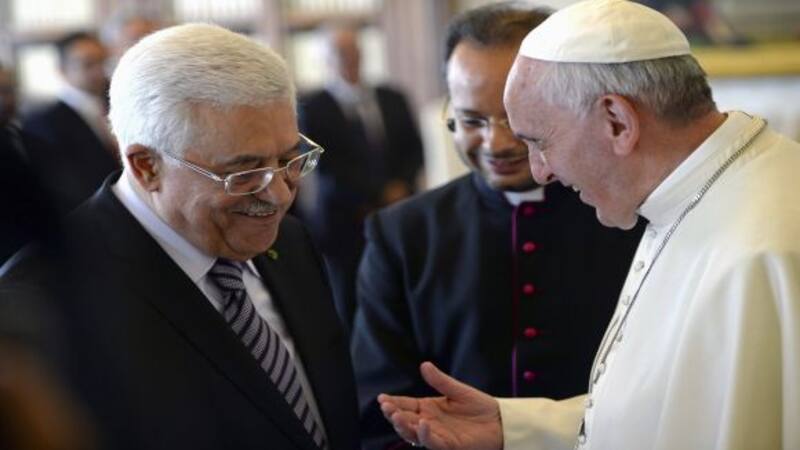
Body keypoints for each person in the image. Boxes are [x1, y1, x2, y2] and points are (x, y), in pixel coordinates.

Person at [378, 0, 800, 449]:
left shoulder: (759, 253)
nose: (540, 172)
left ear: (618, 121)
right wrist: (516, 426)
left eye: (540, 141)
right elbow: (671, 411)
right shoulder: (689, 197)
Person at [0, 23, 359, 450]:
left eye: (288, 158)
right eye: (243, 172)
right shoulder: (41, 303)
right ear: (146, 166)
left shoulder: (291, 242)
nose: (279, 195)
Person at [351, 4, 643, 450]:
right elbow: (378, 408)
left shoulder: (631, 218)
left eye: (515, 119)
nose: (496, 143)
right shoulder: (402, 236)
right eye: (471, 120)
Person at [297, 23, 425, 332]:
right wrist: (379, 192)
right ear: (325, 58)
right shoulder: (312, 106)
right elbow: (326, 166)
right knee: (352, 305)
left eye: (354, 50)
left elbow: (415, 150)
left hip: (398, 213)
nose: (348, 57)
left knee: (404, 297)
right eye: (339, 52)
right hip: (345, 223)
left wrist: (401, 187)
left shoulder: (392, 96)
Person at [22, 32, 118, 214]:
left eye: (103, 62)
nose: (99, 71)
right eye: (88, 64)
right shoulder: (43, 122)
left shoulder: (118, 106)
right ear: (62, 70)